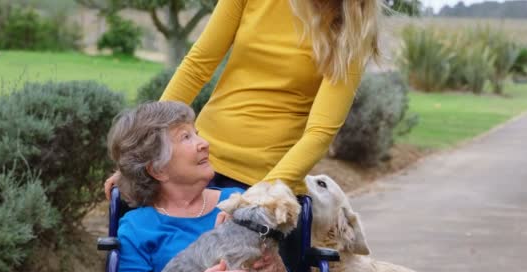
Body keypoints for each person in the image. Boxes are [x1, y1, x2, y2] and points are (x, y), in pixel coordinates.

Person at [106, 0, 381, 195]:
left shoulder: (351, 33)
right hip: (198, 165)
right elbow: (197, 66)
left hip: (268, 180)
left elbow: (320, 132)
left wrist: (265, 196)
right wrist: (143, 156)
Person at [107, 101, 296, 272]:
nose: (204, 143)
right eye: (185, 137)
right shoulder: (138, 227)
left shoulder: (240, 203)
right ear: (157, 169)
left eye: (196, 133)